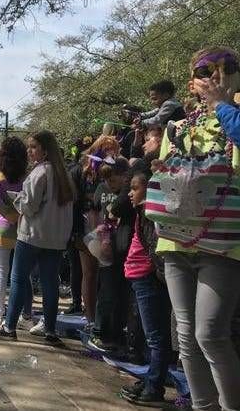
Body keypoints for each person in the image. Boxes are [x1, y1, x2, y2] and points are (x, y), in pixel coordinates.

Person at [154, 47, 240, 410]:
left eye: (227, 67)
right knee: (187, 337)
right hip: (176, 242)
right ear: (193, 82)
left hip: (224, 242)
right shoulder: (178, 126)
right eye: (205, 70)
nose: (215, 75)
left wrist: (223, 105)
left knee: (211, 335)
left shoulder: (235, 116)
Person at [0, 131, 74, 345]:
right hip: (56, 238)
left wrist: (16, 201)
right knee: (49, 283)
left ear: (45, 149)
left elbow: (29, 206)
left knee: (18, 278)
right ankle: (50, 330)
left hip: (32, 235)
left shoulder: (39, 173)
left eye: (34, 147)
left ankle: (9, 327)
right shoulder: (64, 175)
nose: (29, 151)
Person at [117, 170, 172, 407]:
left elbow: (154, 249)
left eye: (135, 188)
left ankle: (154, 386)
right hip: (139, 279)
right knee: (150, 336)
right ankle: (151, 378)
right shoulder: (141, 213)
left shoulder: (150, 215)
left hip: (147, 279)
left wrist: (156, 275)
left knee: (156, 337)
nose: (130, 193)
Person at [69, 135, 120, 324]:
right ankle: (91, 319)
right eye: (106, 148)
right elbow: (74, 201)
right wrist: (75, 232)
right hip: (86, 226)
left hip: (112, 229)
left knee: (106, 276)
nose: (110, 152)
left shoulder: (117, 168)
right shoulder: (82, 170)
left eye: (113, 149)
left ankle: (104, 321)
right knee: (89, 273)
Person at [87, 157, 132, 353]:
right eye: (106, 180)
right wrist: (98, 235)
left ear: (124, 177)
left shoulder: (127, 192)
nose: (109, 184)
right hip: (106, 246)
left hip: (122, 245)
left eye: (112, 180)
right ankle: (99, 331)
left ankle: (117, 332)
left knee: (121, 293)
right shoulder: (101, 189)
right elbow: (94, 212)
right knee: (106, 290)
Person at [0, 137, 29, 325]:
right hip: (23, 229)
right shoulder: (27, 178)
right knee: (22, 275)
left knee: (1, 272)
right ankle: (24, 313)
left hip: (0, 229)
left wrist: (9, 217)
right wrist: (17, 218)